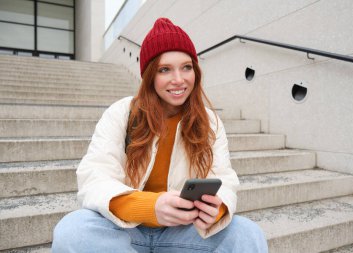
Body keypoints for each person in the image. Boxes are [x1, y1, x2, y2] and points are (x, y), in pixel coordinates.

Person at [52, 17, 268, 253]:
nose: (179, 79)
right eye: (165, 69)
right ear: (149, 76)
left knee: (246, 234)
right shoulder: (122, 112)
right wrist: (150, 207)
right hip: (125, 230)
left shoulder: (209, 120)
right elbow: (94, 176)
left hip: (183, 231)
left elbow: (224, 177)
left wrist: (218, 210)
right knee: (72, 231)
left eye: (186, 67)